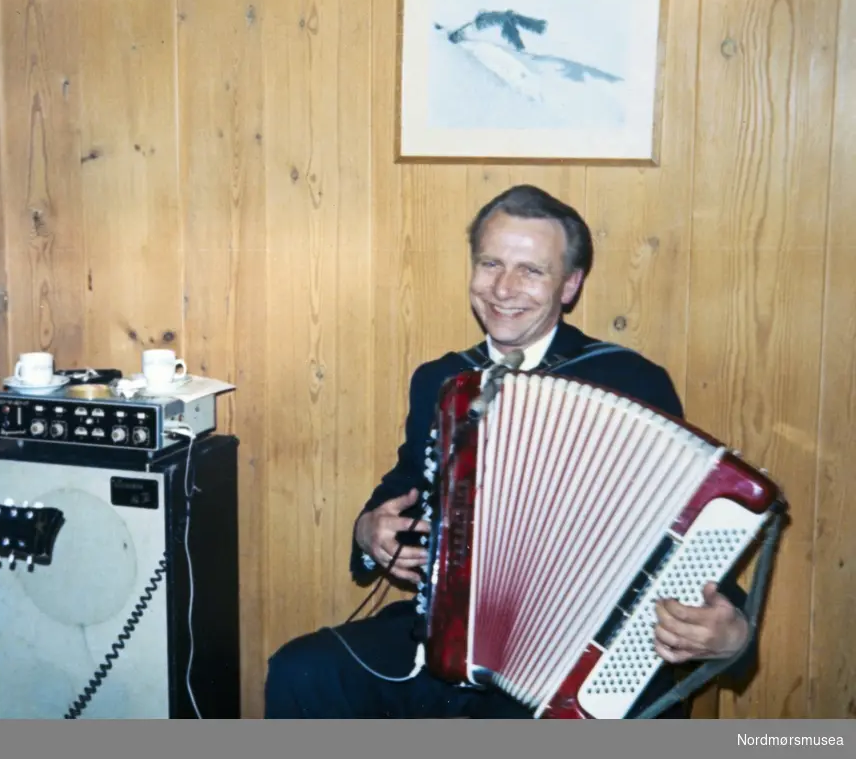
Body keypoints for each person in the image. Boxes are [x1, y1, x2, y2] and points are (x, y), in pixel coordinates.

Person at [264, 185, 758, 719]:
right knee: (303, 670)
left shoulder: (628, 380)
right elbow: (406, 485)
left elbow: (684, 526)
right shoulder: (442, 380)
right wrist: (368, 532)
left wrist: (733, 633)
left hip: (580, 658)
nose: (503, 288)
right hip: (452, 636)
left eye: (531, 270)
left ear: (570, 286)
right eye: (490, 263)